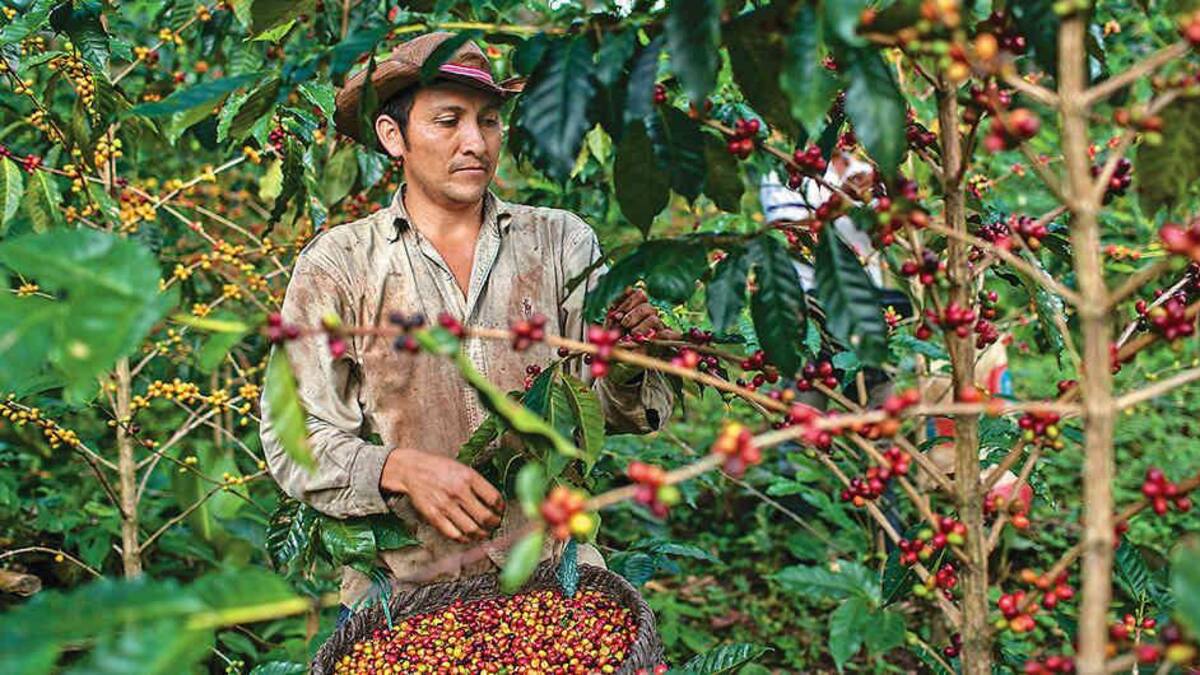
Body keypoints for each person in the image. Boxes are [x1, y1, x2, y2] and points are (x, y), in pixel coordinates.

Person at [259, 32, 676, 613]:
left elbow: (601, 410)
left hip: (558, 581)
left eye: (488, 122)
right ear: (391, 135)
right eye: (447, 121)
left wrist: (630, 362)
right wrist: (396, 469)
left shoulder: (560, 242)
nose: (475, 143)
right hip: (405, 597)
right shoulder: (340, 265)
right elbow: (294, 439)